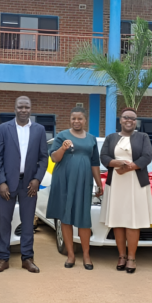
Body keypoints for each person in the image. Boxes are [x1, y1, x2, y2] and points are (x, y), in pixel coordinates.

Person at [0, 96, 48, 273]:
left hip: (29, 184)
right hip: (8, 183)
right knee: (5, 221)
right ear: (14, 108)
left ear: (31, 109)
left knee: (27, 222)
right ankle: (3, 258)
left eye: (27, 107)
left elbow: (43, 157)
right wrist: (1, 182)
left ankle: (27, 258)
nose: (24, 110)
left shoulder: (39, 130)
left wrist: (37, 179)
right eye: (20, 107)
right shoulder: (3, 129)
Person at [46, 107, 103, 270]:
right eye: (73, 118)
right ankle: (71, 255)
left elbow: (95, 163)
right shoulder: (62, 136)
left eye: (80, 119)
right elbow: (55, 158)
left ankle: (86, 255)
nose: (76, 121)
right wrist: (63, 148)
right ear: (70, 120)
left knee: (84, 218)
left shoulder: (91, 139)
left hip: (83, 181)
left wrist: (98, 183)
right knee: (66, 217)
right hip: (63, 180)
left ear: (85, 120)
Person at [99, 108, 152, 274]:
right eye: (126, 117)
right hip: (116, 184)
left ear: (135, 121)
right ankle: (121, 256)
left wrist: (128, 167)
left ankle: (131, 258)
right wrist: (117, 165)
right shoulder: (111, 137)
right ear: (120, 120)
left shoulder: (143, 137)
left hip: (135, 183)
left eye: (133, 118)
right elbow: (104, 157)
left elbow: (147, 156)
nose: (129, 120)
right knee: (117, 221)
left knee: (133, 222)